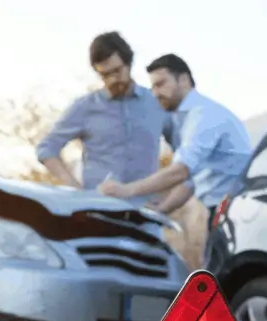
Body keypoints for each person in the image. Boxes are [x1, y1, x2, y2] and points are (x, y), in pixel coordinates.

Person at [97, 53, 252, 224]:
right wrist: (163, 207)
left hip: (236, 211)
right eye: (153, 87)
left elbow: (180, 171)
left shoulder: (204, 115)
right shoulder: (192, 119)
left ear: (184, 80)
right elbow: (191, 181)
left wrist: (126, 190)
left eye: (161, 84)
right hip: (226, 209)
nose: (155, 94)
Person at [35, 31, 169, 205]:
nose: (113, 80)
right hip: (98, 212)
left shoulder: (157, 103)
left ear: (129, 63)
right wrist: (75, 189)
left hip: (146, 213)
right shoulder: (85, 107)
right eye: (105, 75)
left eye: (117, 71)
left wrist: (168, 197)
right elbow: (46, 149)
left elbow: (185, 152)